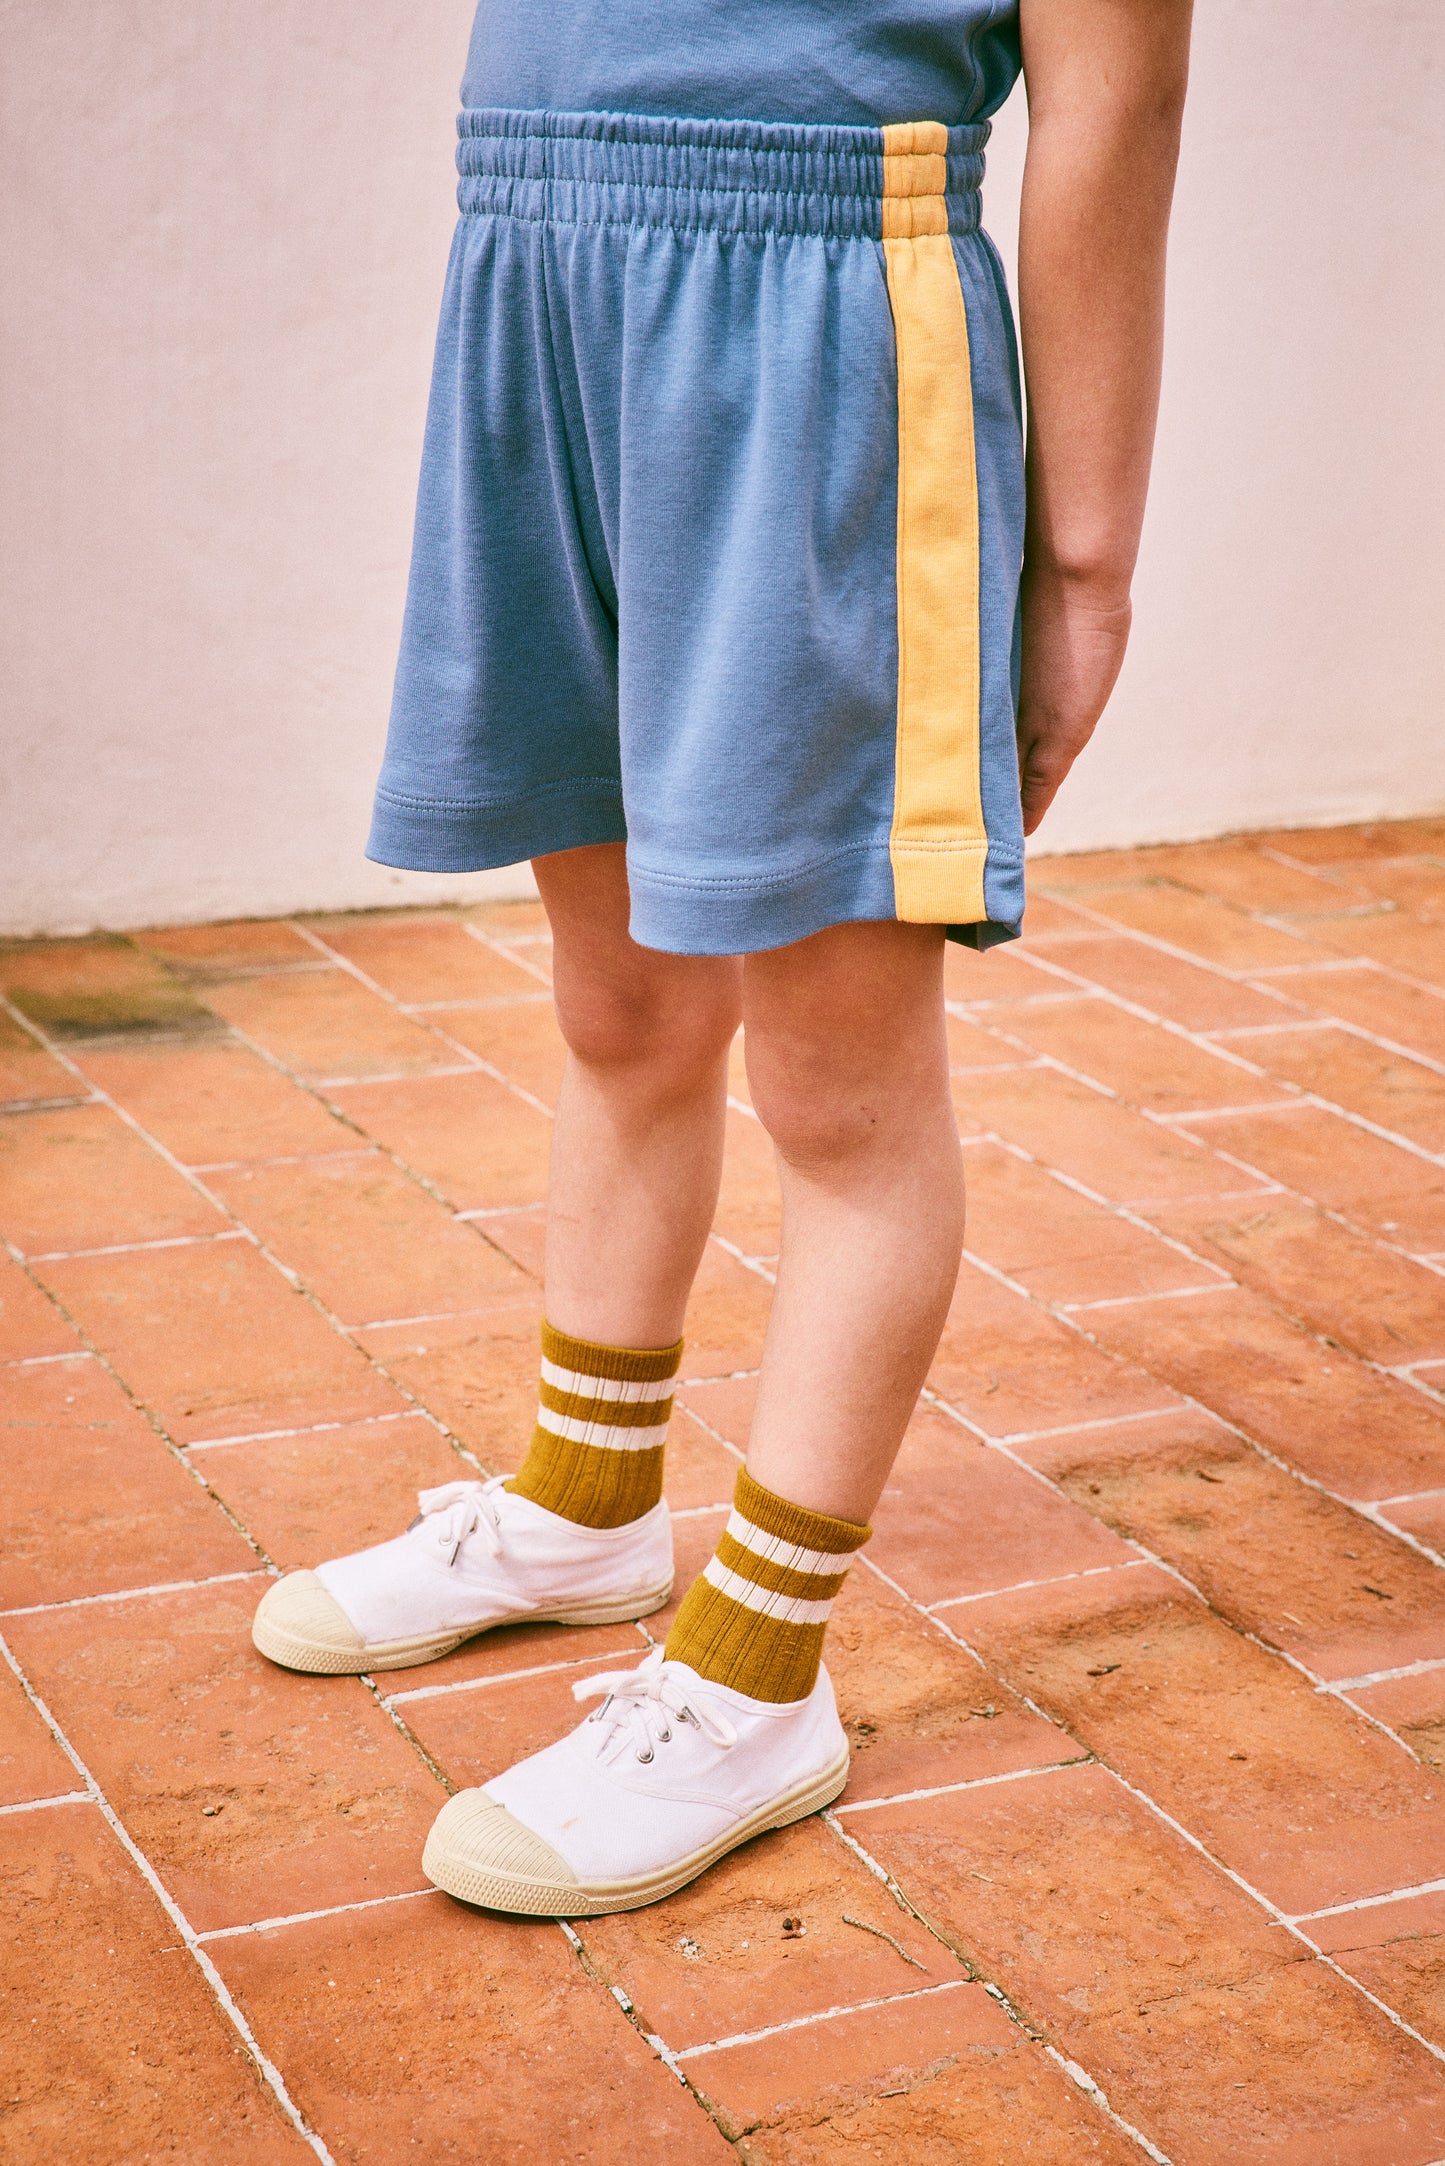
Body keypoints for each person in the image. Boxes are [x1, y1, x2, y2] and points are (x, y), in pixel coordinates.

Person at [254, 0, 1192, 1918]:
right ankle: (586, 1502)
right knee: (618, 1006)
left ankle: (760, 1674)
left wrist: (1084, 562)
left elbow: (1119, 104)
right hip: (536, 276)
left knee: (838, 1086)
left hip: (819, 330)